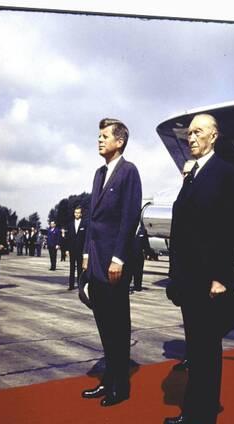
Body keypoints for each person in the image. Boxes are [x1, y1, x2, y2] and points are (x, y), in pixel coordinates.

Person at [164, 113, 234, 424]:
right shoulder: (191, 175)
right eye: (189, 133)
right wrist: (173, 276)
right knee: (195, 350)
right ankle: (192, 410)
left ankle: (207, 416)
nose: (190, 138)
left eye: (197, 132)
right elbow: (180, 228)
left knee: (208, 349)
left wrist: (222, 277)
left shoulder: (225, 172)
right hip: (188, 279)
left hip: (210, 280)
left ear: (213, 136)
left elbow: (231, 228)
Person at [81, 118, 142, 406]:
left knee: (118, 326)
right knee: (104, 325)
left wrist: (118, 257)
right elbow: (92, 219)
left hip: (114, 263)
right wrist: (84, 254)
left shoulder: (129, 172)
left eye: (105, 136)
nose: (100, 140)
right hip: (95, 261)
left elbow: (129, 218)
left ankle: (121, 385)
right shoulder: (98, 174)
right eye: (99, 135)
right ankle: (108, 379)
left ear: (120, 142)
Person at [67, 206, 86, 290]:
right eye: (75, 212)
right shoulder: (70, 224)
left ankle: (79, 285)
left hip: (80, 250)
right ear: (74, 213)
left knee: (79, 268)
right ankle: (71, 285)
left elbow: (86, 238)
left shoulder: (84, 224)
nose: (77, 214)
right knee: (71, 268)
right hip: (72, 249)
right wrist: (67, 250)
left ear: (81, 214)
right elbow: (68, 238)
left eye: (78, 212)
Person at [131, 221, 150, 291]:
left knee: (138, 271)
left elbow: (146, 243)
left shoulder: (143, 231)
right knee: (130, 270)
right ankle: (128, 285)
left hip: (139, 255)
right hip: (130, 253)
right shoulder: (130, 229)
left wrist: (148, 252)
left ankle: (138, 286)